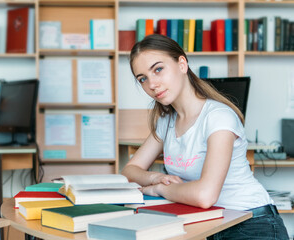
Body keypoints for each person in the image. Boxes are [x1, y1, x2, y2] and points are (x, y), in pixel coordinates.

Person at [121, 34, 289, 240]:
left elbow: (204, 196)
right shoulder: (166, 121)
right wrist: (156, 177)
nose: (152, 84)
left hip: (251, 223)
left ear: (182, 64)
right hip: (208, 224)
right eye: (143, 79)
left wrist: (158, 189)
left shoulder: (218, 117)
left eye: (158, 69)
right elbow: (129, 171)